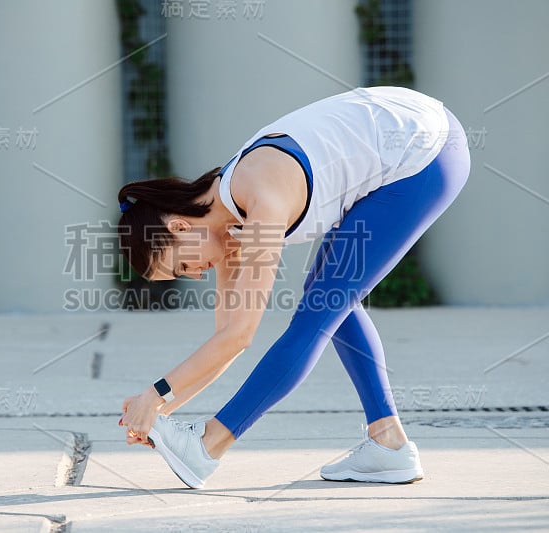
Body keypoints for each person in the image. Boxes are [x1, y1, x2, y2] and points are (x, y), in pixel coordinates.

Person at [116, 86, 470, 488]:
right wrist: (159, 410)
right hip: (404, 141)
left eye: (182, 265)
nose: (195, 275)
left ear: (179, 227)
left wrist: (156, 393)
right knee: (331, 296)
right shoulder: (228, 226)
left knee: (318, 309)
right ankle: (388, 443)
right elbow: (224, 342)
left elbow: (240, 335)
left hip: (427, 149)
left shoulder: (258, 194)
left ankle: (209, 445)